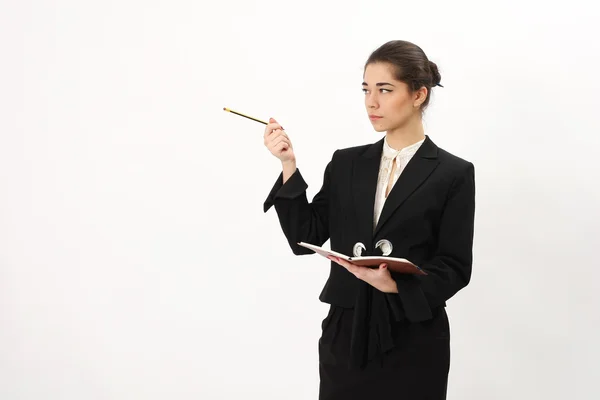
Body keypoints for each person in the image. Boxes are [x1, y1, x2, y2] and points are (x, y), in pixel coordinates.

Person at [262, 40, 475, 400]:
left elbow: (455, 266)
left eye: (385, 90)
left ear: (419, 94)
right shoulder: (346, 163)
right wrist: (288, 166)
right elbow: (306, 234)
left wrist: (396, 285)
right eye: (366, 89)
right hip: (347, 331)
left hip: (413, 333)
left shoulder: (453, 173)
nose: (371, 102)